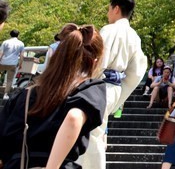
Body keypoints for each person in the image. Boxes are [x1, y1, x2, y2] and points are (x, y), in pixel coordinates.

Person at [0, 25, 107, 169]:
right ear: (94, 61)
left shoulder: (23, 95)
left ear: (59, 55)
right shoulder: (89, 90)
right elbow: (74, 118)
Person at [81, 0, 149, 169]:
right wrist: (122, 93)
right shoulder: (134, 35)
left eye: (109, 9)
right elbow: (138, 70)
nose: (108, 13)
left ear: (116, 8)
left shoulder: (109, 30)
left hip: (100, 85)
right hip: (115, 87)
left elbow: (100, 61)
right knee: (97, 131)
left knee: (92, 133)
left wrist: (86, 82)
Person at [0, 30, 24, 95]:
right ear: (18, 35)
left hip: (3, 62)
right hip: (13, 64)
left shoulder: (5, 42)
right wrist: (20, 64)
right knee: (9, 80)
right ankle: (5, 94)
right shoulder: (21, 43)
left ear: (10, 35)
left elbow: (1, 53)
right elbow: (22, 55)